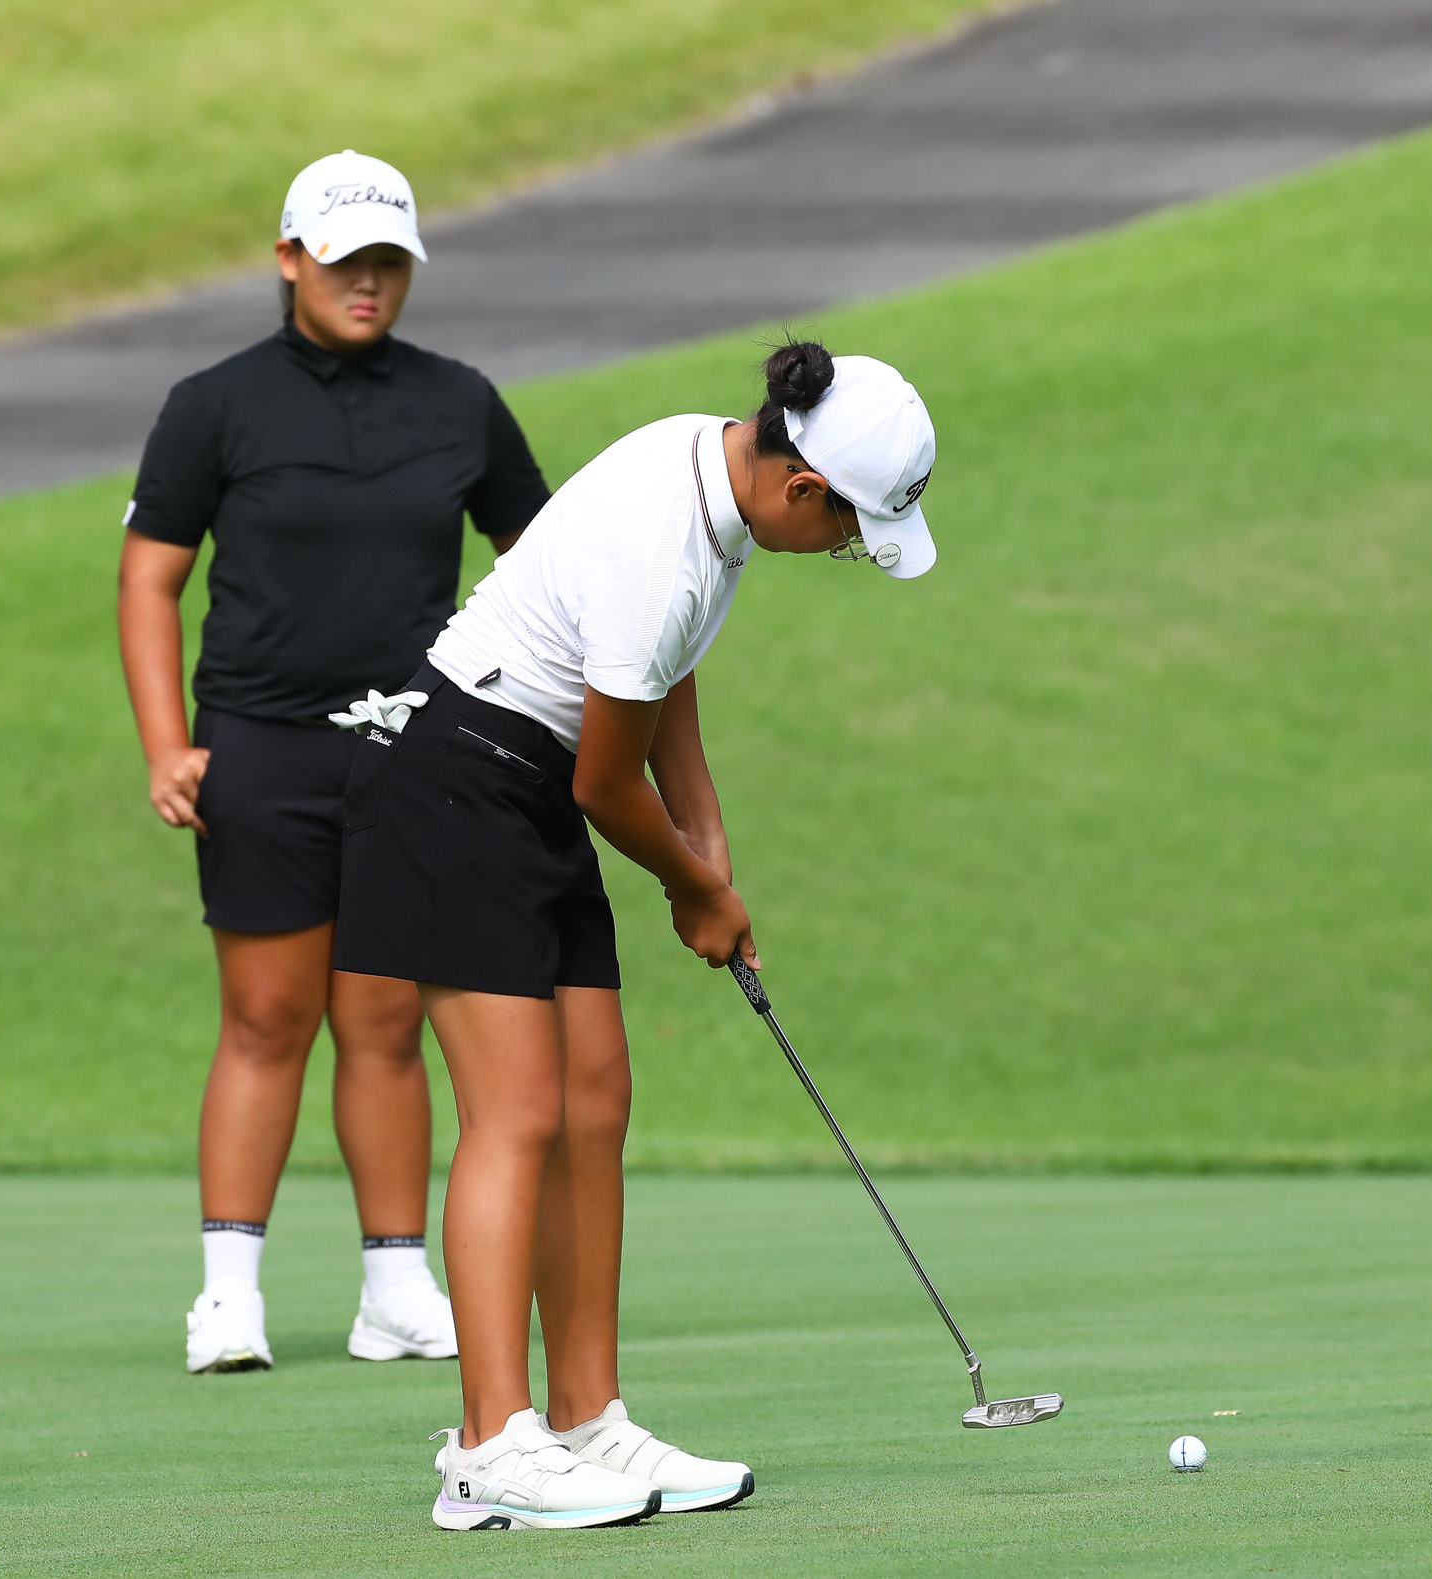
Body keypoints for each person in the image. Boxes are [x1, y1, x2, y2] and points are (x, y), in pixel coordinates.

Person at [329, 340, 937, 1530]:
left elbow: (663, 680)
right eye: (852, 533)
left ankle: (585, 1418)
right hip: (458, 779)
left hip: (529, 777)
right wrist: (692, 891)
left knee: (593, 1098)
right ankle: (486, 1448)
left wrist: (707, 845)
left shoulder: (708, 477)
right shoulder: (667, 539)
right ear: (803, 488)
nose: (846, 554)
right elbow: (611, 787)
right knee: (517, 1112)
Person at [116, 150, 552, 1375]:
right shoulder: (215, 403)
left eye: (389, 262)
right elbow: (150, 578)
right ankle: (228, 1295)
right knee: (265, 1016)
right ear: (289, 259)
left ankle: (395, 1289)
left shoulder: (460, 401)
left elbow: (538, 559)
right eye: (345, 258)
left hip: (408, 750)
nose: (369, 281)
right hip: (258, 745)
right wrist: (166, 743)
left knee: (385, 1018)